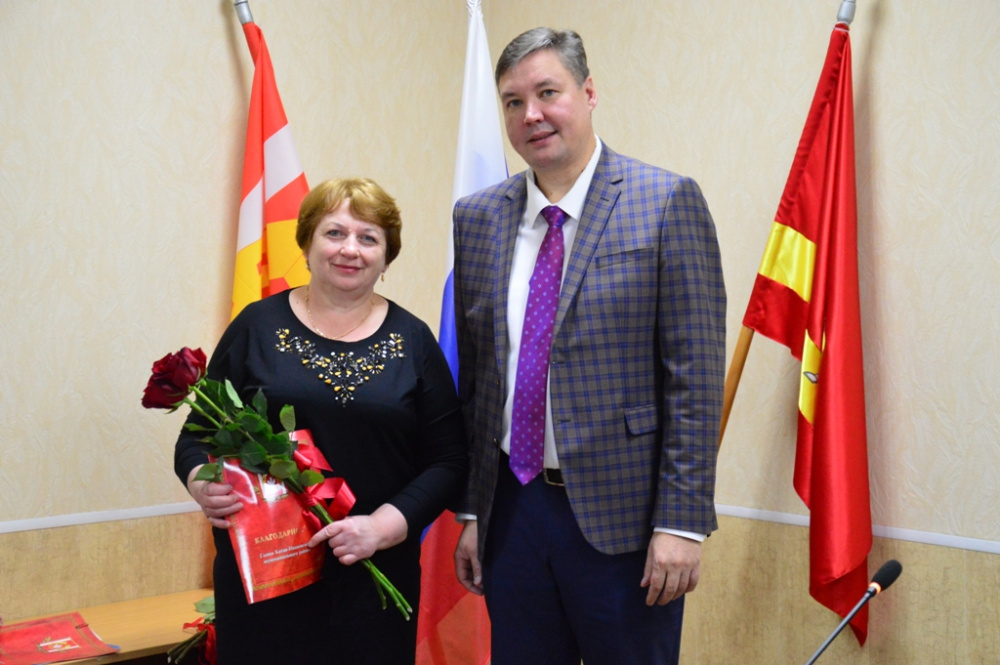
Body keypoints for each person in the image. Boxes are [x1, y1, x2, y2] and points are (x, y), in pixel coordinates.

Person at [451, 28, 726, 665]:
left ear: (590, 92)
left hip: (624, 523)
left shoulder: (664, 202)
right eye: (513, 101)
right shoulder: (478, 217)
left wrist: (682, 522)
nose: (531, 114)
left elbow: (694, 379)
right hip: (511, 514)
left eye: (548, 92)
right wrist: (472, 510)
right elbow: (479, 380)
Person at [175, 177, 467, 665]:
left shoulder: (414, 340)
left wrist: (384, 526)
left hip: (374, 575)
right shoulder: (255, 326)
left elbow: (449, 459)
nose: (350, 249)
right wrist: (199, 482)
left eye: (368, 238)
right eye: (335, 233)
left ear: (386, 258)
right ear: (307, 244)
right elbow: (196, 435)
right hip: (266, 578)